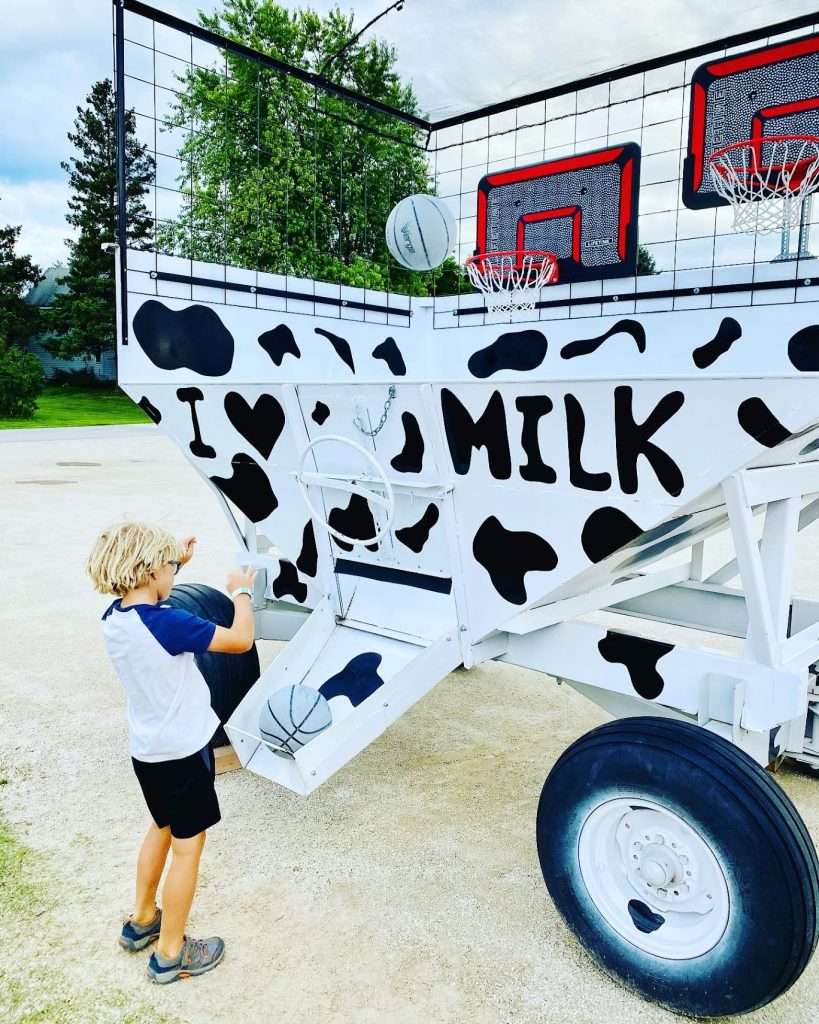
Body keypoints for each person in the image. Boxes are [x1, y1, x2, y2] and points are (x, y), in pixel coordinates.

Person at [86, 522, 257, 983]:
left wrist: (174, 559)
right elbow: (239, 640)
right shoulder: (171, 624)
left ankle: (142, 919)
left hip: (148, 752)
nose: (174, 578)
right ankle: (171, 953)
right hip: (184, 752)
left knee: (161, 826)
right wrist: (241, 593)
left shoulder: (115, 618)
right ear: (147, 572)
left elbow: (148, 591)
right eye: (168, 570)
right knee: (188, 848)